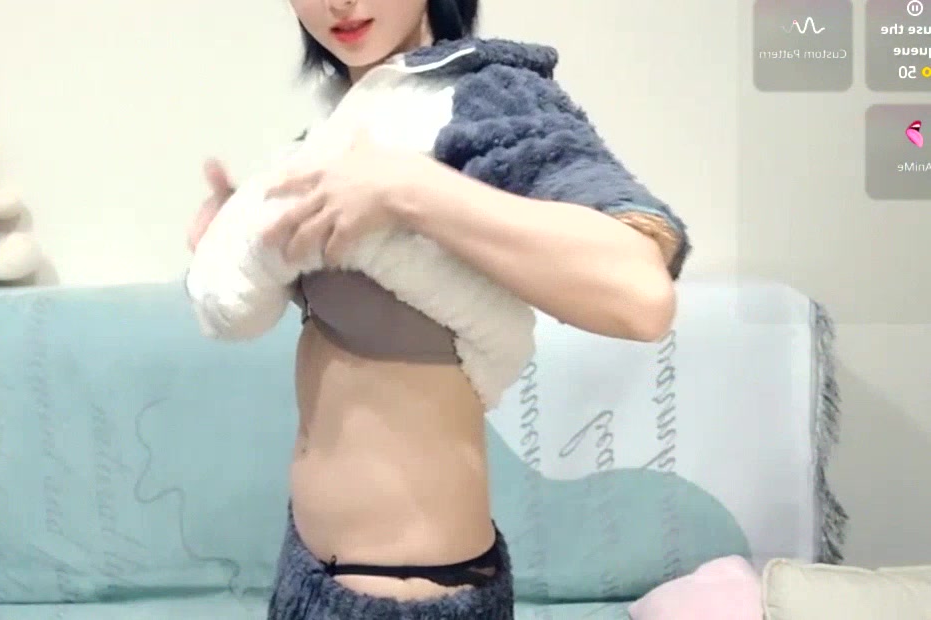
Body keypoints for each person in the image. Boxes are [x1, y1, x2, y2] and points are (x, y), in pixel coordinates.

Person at [187, 0, 690, 617]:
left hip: (412, 596)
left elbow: (641, 296)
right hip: (305, 570)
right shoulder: (342, 124)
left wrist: (406, 189)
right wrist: (227, 237)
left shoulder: (485, 97)